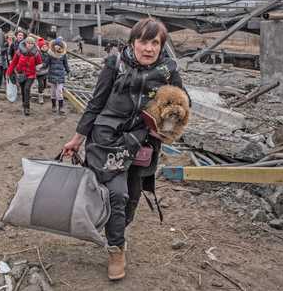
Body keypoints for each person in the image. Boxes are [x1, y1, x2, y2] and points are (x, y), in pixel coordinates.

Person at [62, 18, 190, 281]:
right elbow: (95, 103)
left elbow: (184, 105)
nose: (149, 48)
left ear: (162, 46)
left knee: (131, 198)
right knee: (115, 195)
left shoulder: (168, 71)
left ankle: (115, 229)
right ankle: (116, 249)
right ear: (133, 42)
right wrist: (77, 138)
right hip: (108, 140)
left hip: (143, 143)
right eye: (143, 41)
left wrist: (165, 128)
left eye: (155, 43)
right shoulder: (115, 63)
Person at [6, 36, 42, 116]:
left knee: (27, 89)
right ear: (25, 43)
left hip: (31, 74)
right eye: (28, 43)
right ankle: (24, 102)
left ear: (34, 44)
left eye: (31, 43)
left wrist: (39, 67)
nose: (29, 45)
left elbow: (39, 62)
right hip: (21, 73)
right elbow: (13, 63)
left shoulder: (36, 53)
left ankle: (27, 108)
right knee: (22, 89)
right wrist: (8, 73)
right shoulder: (19, 52)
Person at [45, 38, 69, 115]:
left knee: (59, 91)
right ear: (53, 46)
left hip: (60, 75)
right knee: (53, 92)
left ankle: (61, 108)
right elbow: (46, 63)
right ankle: (54, 106)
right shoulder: (50, 54)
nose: (56, 47)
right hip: (52, 74)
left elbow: (65, 64)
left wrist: (68, 70)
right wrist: (40, 66)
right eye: (55, 45)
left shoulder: (63, 54)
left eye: (58, 45)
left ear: (61, 46)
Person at [36, 38, 50, 105]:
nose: (45, 48)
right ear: (40, 47)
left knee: (44, 85)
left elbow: (47, 62)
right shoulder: (38, 54)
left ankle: (41, 92)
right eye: (43, 47)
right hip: (39, 72)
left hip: (45, 71)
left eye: (45, 46)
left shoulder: (48, 54)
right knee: (41, 84)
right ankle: (40, 96)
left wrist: (43, 65)